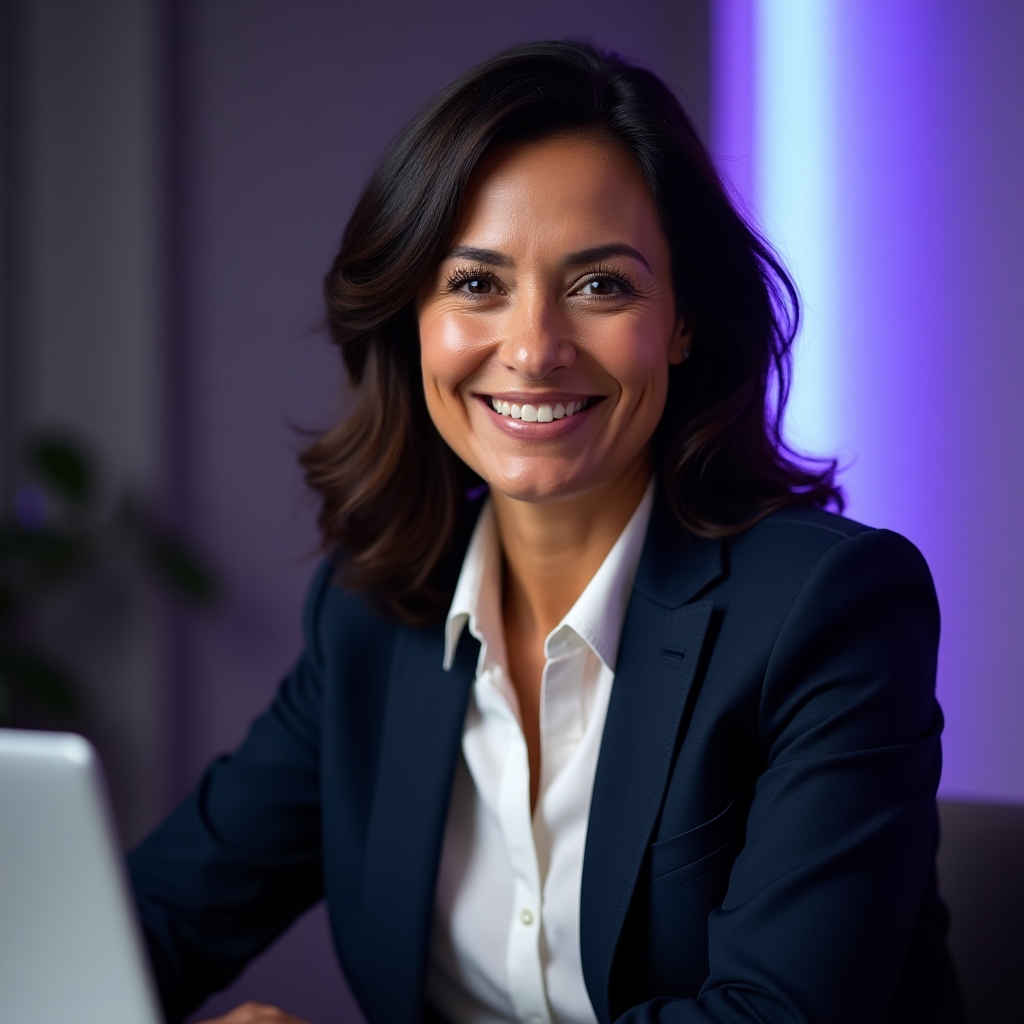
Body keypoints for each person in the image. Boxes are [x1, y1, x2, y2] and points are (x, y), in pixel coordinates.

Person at [128, 41, 965, 1024]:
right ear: (413, 317)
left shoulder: (829, 610)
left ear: (682, 321)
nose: (531, 350)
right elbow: (153, 916)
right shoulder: (371, 613)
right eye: (476, 284)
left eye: (599, 286)